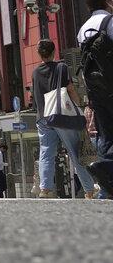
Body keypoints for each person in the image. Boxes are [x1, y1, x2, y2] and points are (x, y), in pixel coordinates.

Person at [29, 39, 97, 198]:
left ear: (39, 53)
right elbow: (71, 90)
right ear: (54, 52)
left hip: (43, 117)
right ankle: (89, 189)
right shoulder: (61, 67)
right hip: (61, 116)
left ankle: (45, 189)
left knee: (46, 153)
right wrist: (78, 106)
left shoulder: (35, 72)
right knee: (74, 152)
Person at [77, 0, 113, 197]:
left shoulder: (83, 29)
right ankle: (104, 167)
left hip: (96, 88)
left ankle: (105, 174)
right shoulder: (108, 20)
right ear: (108, 0)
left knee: (107, 133)